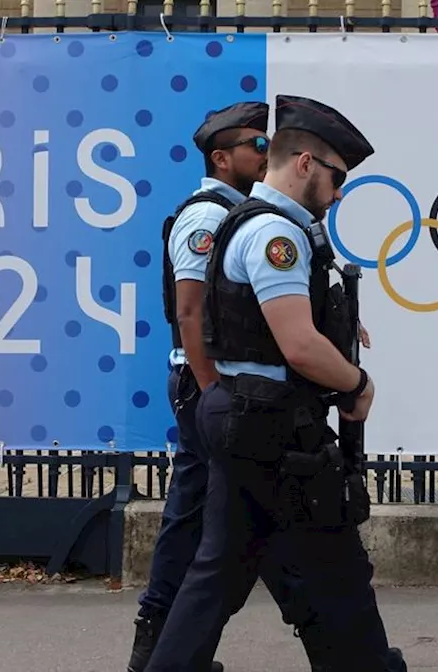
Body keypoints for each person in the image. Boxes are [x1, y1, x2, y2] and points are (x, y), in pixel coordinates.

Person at [143, 94, 406, 672]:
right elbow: (299, 346)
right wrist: (359, 385)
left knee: (221, 568)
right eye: (337, 177)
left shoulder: (265, 225)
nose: (339, 194)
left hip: (252, 419)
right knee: (333, 564)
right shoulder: (273, 236)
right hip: (270, 424)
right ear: (307, 162)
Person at [128, 101, 339, 672]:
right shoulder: (207, 217)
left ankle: (167, 653)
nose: (262, 151)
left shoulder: (250, 215)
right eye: (252, 144)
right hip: (213, 389)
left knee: (231, 525)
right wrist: (213, 389)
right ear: (223, 159)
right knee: (207, 523)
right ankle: (156, 647)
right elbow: (191, 314)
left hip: (229, 393)